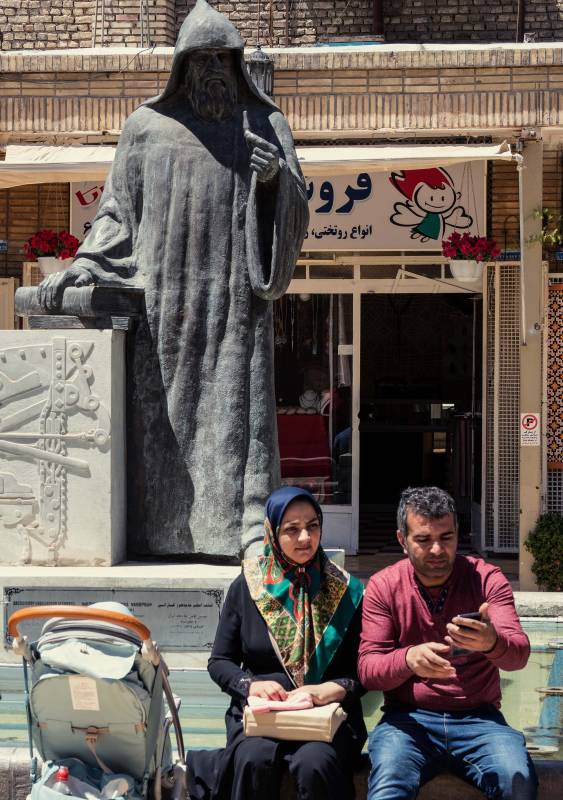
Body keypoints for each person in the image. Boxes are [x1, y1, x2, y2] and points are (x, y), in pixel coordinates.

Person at [37, 0, 309, 561]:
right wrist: (85, 263)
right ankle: (158, 534)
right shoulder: (145, 130)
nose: (212, 69)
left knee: (237, 425)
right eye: (201, 58)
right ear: (181, 66)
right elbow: (115, 212)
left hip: (234, 308)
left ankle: (242, 530)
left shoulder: (263, 125)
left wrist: (273, 182)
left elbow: (296, 209)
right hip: (163, 313)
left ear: (236, 64)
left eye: (222, 58)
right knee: (158, 430)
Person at [358, 486, 537, 800]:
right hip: (408, 720)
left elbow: (519, 655)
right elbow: (368, 670)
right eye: (424, 540)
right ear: (402, 540)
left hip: (480, 720)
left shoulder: (486, 579)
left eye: (447, 537)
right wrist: (408, 659)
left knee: (518, 781)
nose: (438, 550)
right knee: (387, 785)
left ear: (458, 535)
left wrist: (492, 643)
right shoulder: (384, 586)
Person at [188, 486, 366, 800]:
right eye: (292, 529)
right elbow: (220, 662)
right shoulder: (249, 585)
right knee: (253, 758)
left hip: (326, 717)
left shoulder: (346, 591)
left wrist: (335, 687)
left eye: (312, 526)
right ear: (272, 532)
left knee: (316, 764)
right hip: (263, 716)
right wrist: (250, 685)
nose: (304, 538)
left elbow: (365, 669)